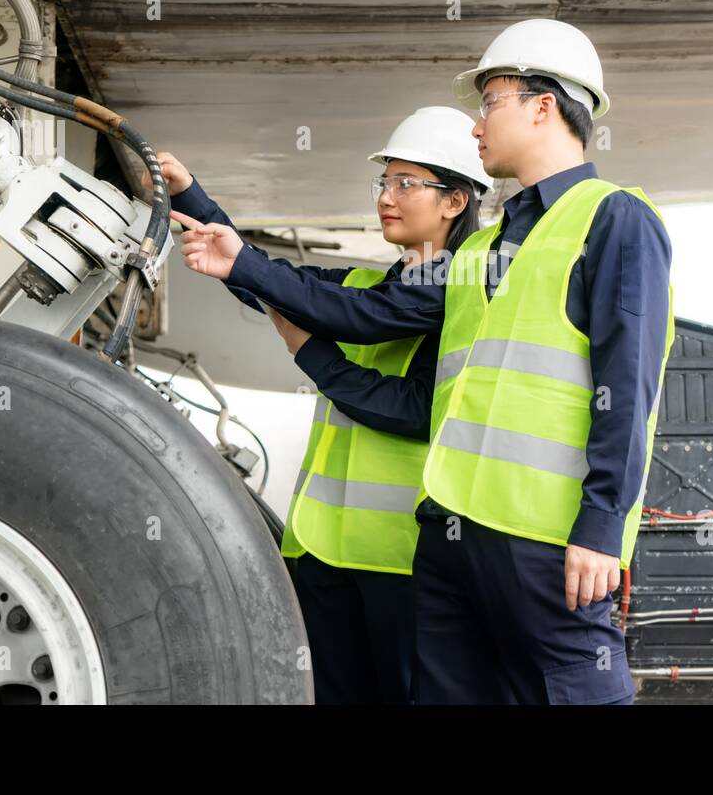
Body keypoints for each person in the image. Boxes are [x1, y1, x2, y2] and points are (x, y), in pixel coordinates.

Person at [173, 19, 674, 704]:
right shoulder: (478, 251)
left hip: (546, 542)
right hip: (451, 537)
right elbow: (354, 309)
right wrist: (205, 217)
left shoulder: (614, 219)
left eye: (490, 102)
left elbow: (630, 383)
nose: (477, 125)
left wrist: (601, 523)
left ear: (544, 105)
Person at [159, 106, 492, 704]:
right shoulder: (371, 285)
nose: (387, 197)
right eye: (383, 182)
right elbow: (276, 282)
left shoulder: (458, 290)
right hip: (322, 553)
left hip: (404, 562)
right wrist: (193, 197)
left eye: (406, 183)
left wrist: (307, 349)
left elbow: (412, 407)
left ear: (455, 201)